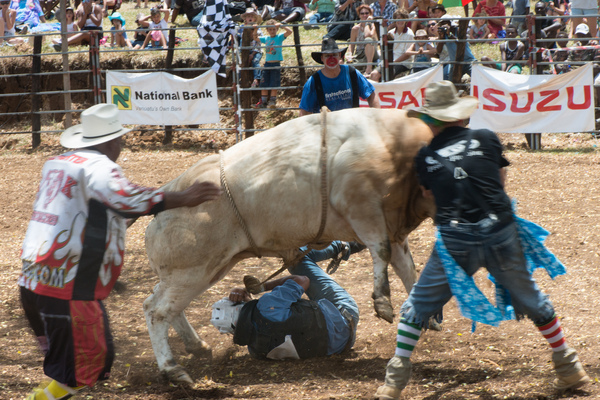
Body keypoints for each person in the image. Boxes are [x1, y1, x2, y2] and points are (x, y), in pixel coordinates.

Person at [374, 81, 590, 400]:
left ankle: (393, 383)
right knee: (531, 298)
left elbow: (429, 193)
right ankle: (569, 367)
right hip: (500, 230)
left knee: (418, 305)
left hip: (455, 239)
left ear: (430, 121)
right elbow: (500, 183)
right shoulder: (487, 138)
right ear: (461, 117)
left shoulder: (426, 156)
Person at [19, 103, 222, 400]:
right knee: (88, 364)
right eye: (120, 140)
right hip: (69, 287)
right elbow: (126, 198)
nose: (121, 146)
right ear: (111, 141)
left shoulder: (58, 164)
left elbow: (88, 210)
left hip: (34, 281)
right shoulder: (99, 167)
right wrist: (184, 197)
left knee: (69, 367)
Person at [210, 241, 363, 360]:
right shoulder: (267, 305)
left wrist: (247, 298)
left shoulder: (255, 350)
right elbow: (303, 280)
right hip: (345, 315)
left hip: (341, 345)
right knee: (298, 258)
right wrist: (263, 287)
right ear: (238, 306)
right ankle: (347, 245)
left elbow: (260, 321)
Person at [299, 37, 379, 114]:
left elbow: (371, 95)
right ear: (322, 58)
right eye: (327, 56)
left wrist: (377, 118)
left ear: (340, 55)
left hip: (352, 124)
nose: (331, 59)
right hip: (327, 126)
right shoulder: (314, 81)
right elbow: (304, 112)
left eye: (334, 55)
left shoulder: (352, 73)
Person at [252, 19, 292, 109]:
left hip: (276, 64)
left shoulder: (279, 37)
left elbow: (289, 31)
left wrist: (281, 25)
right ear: (267, 30)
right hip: (267, 64)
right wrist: (255, 29)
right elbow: (255, 38)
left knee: (274, 84)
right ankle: (263, 102)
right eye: (270, 29)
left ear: (276, 29)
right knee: (264, 83)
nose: (272, 31)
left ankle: (272, 101)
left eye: (274, 29)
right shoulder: (266, 38)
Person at [369, 8, 414, 82]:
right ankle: (378, 93)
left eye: (403, 18)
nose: (400, 21)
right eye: (398, 18)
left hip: (403, 64)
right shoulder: (391, 33)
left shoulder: (410, 34)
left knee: (387, 75)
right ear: (395, 20)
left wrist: (393, 62)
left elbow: (407, 54)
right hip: (390, 62)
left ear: (406, 20)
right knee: (374, 74)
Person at [346, 4, 378, 75]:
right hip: (360, 54)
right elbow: (352, 44)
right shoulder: (355, 29)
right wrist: (350, 54)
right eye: (362, 13)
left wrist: (367, 23)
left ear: (370, 14)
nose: (364, 15)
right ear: (359, 15)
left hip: (372, 53)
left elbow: (368, 35)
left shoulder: (374, 27)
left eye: (367, 13)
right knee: (348, 67)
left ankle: (369, 68)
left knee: (368, 40)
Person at [239, 8, 263, 88]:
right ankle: (240, 79)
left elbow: (258, 44)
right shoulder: (242, 29)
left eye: (251, 16)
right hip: (246, 50)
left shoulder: (258, 30)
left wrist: (252, 54)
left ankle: (257, 79)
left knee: (255, 61)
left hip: (256, 51)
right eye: (248, 16)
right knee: (241, 63)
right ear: (245, 19)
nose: (250, 18)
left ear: (255, 19)